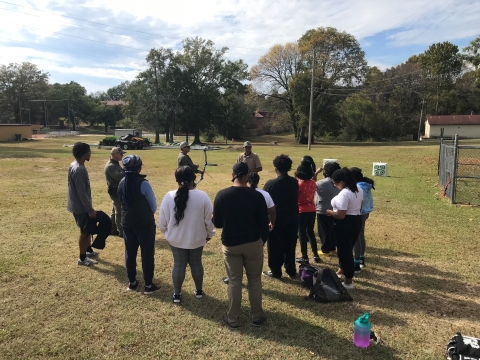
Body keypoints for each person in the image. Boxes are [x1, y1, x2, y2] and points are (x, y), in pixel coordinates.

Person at [213, 162, 269, 329]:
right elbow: (264, 223)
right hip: (253, 244)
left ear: (233, 174)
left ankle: (233, 318)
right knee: (254, 280)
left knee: (235, 281)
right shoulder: (257, 196)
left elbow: (217, 223)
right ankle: (257, 316)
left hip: (231, 245)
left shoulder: (222, 195)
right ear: (247, 175)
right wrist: (262, 241)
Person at [158, 166, 216, 304]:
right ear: (194, 178)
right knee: (196, 263)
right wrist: (209, 234)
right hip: (197, 238)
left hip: (176, 239)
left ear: (176, 179)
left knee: (179, 264)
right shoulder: (203, 196)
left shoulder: (169, 196)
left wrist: (168, 233)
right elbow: (209, 220)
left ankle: (177, 294)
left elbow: (162, 222)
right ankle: (199, 291)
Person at [222, 172, 276, 285]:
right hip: (258, 234)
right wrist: (271, 222)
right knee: (253, 266)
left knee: (236, 263)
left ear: (247, 180)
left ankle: (233, 277)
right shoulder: (264, 194)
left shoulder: (240, 194)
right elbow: (272, 210)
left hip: (238, 236)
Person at [118, 154, 160, 295]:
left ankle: (132, 282)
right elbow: (153, 205)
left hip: (127, 223)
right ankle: (148, 285)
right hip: (144, 224)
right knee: (147, 254)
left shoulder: (121, 182)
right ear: (139, 168)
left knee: (130, 252)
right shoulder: (143, 183)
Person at [326, 167, 363, 290]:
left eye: (334, 183)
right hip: (356, 220)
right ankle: (341, 271)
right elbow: (360, 206)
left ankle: (348, 281)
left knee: (345, 252)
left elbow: (341, 215)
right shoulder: (359, 189)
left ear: (341, 182)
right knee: (348, 248)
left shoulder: (344, 194)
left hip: (344, 224)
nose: (334, 184)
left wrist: (330, 212)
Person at [263, 154, 299, 279]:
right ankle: (291, 269)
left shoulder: (270, 184)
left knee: (274, 246)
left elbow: (265, 203)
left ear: (275, 167)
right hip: (292, 218)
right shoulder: (295, 182)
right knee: (290, 245)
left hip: (276, 219)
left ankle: (275, 271)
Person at [67, 142, 98, 266]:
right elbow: (81, 193)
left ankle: (88, 250)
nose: (90, 153)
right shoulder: (79, 169)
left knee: (88, 228)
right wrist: (90, 209)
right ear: (84, 153)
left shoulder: (76, 164)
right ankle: (82, 258)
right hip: (80, 207)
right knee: (84, 232)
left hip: (78, 204)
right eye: (89, 151)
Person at [350, 167, 375, 272]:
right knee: (361, 235)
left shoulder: (358, 187)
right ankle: (361, 257)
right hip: (365, 213)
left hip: (359, 214)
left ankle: (356, 262)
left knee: (356, 238)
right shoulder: (366, 185)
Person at [295, 160, 320, 264]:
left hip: (301, 210)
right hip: (312, 209)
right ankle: (315, 255)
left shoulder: (299, 185)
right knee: (310, 232)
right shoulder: (313, 183)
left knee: (302, 233)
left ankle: (304, 256)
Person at [315, 162, 341, 255]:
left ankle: (325, 249)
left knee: (324, 230)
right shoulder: (340, 182)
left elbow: (310, 184)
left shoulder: (322, 183)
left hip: (323, 209)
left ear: (325, 172)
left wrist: (316, 173)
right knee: (333, 229)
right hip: (336, 209)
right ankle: (333, 247)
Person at [104, 147, 126, 237]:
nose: (122, 155)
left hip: (117, 190)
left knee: (115, 210)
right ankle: (121, 231)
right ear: (114, 154)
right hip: (115, 191)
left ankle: (112, 229)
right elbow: (118, 177)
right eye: (120, 154)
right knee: (119, 211)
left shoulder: (115, 164)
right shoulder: (110, 166)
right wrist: (126, 169)